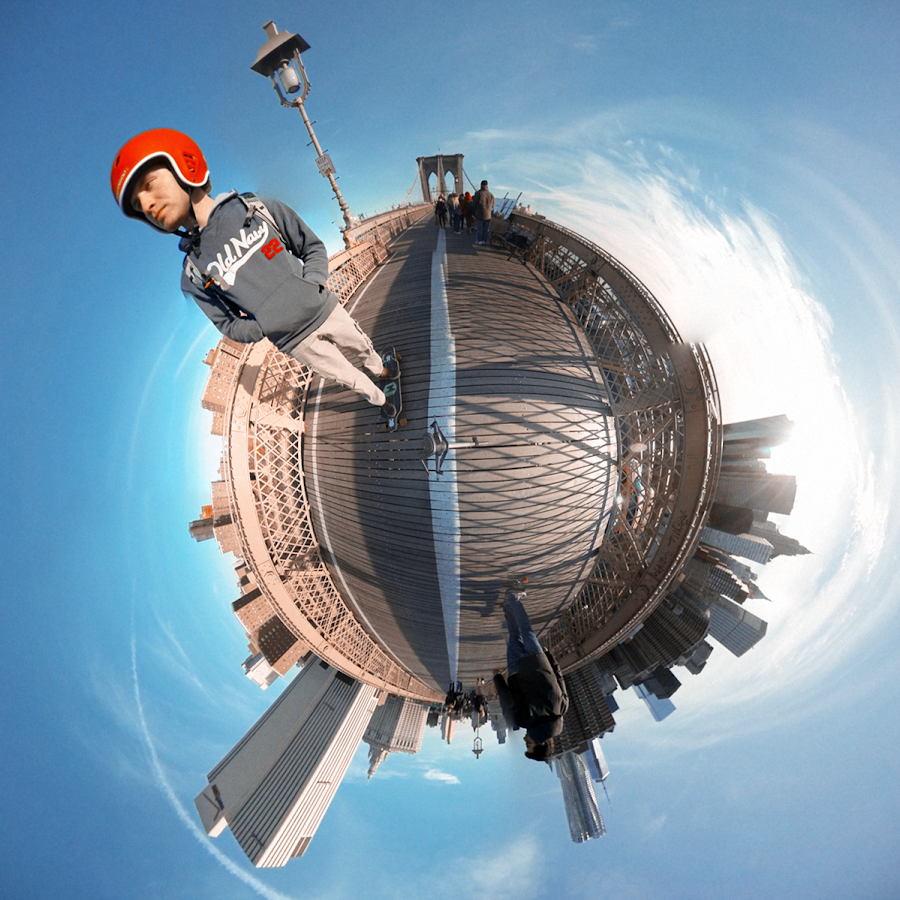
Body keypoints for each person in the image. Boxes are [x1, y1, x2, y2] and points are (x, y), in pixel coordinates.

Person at [110, 129, 398, 416]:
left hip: (323, 308)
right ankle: (383, 402)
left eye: (149, 184)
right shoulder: (193, 274)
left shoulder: (255, 207)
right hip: (295, 340)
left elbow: (310, 246)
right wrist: (264, 326)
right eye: (138, 206)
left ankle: (383, 370)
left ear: (185, 166)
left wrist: (313, 285)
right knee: (347, 377)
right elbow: (227, 323)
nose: (146, 205)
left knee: (361, 346)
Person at [493, 591, 568, 761]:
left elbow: (559, 678)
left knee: (526, 629)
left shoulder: (562, 709)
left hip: (538, 660)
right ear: (540, 742)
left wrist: (549, 657)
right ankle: (507, 606)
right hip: (517, 669)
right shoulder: (523, 720)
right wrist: (497, 678)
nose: (525, 741)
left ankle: (512, 599)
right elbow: (506, 699)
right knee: (514, 635)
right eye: (529, 745)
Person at [471, 179, 495, 245]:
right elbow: (493, 205)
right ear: (487, 186)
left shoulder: (478, 193)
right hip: (488, 215)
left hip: (479, 214)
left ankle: (479, 240)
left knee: (479, 228)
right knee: (485, 229)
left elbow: (474, 204)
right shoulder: (491, 195)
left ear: (481, 185)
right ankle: (484, 240)